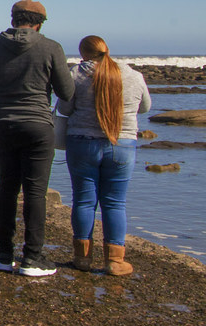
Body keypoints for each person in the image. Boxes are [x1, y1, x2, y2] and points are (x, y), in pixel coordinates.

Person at [0, 0, 74, 277]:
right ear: (39, 23)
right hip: (38, 126)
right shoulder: (51, 47)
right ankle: (32, 258)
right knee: (35, 192)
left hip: (3, 124)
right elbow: (66, 92)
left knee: (7, 189)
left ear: (13, 19)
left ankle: (4, 255)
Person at [56, 35, 150, 276]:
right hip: (122, 143)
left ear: (83, 53)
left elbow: (64, 109)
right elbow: (145, 107)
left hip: (82, 143)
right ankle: (115, 261)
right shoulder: (133, 75)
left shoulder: (76, 74)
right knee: (115, 202)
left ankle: (82, 257)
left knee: (84, 200)